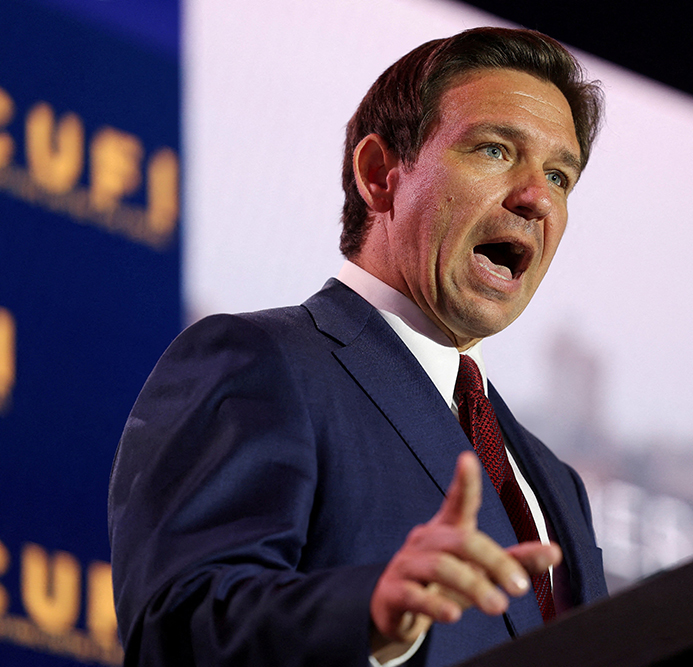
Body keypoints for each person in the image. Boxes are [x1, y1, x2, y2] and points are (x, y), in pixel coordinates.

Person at [108, 27, 607, 667]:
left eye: (560, 175)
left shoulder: (555, 485)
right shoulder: (260, 362)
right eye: (493, 149)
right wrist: (373, 616)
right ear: (379, 176)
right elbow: (177, 632)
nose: (537, 196)